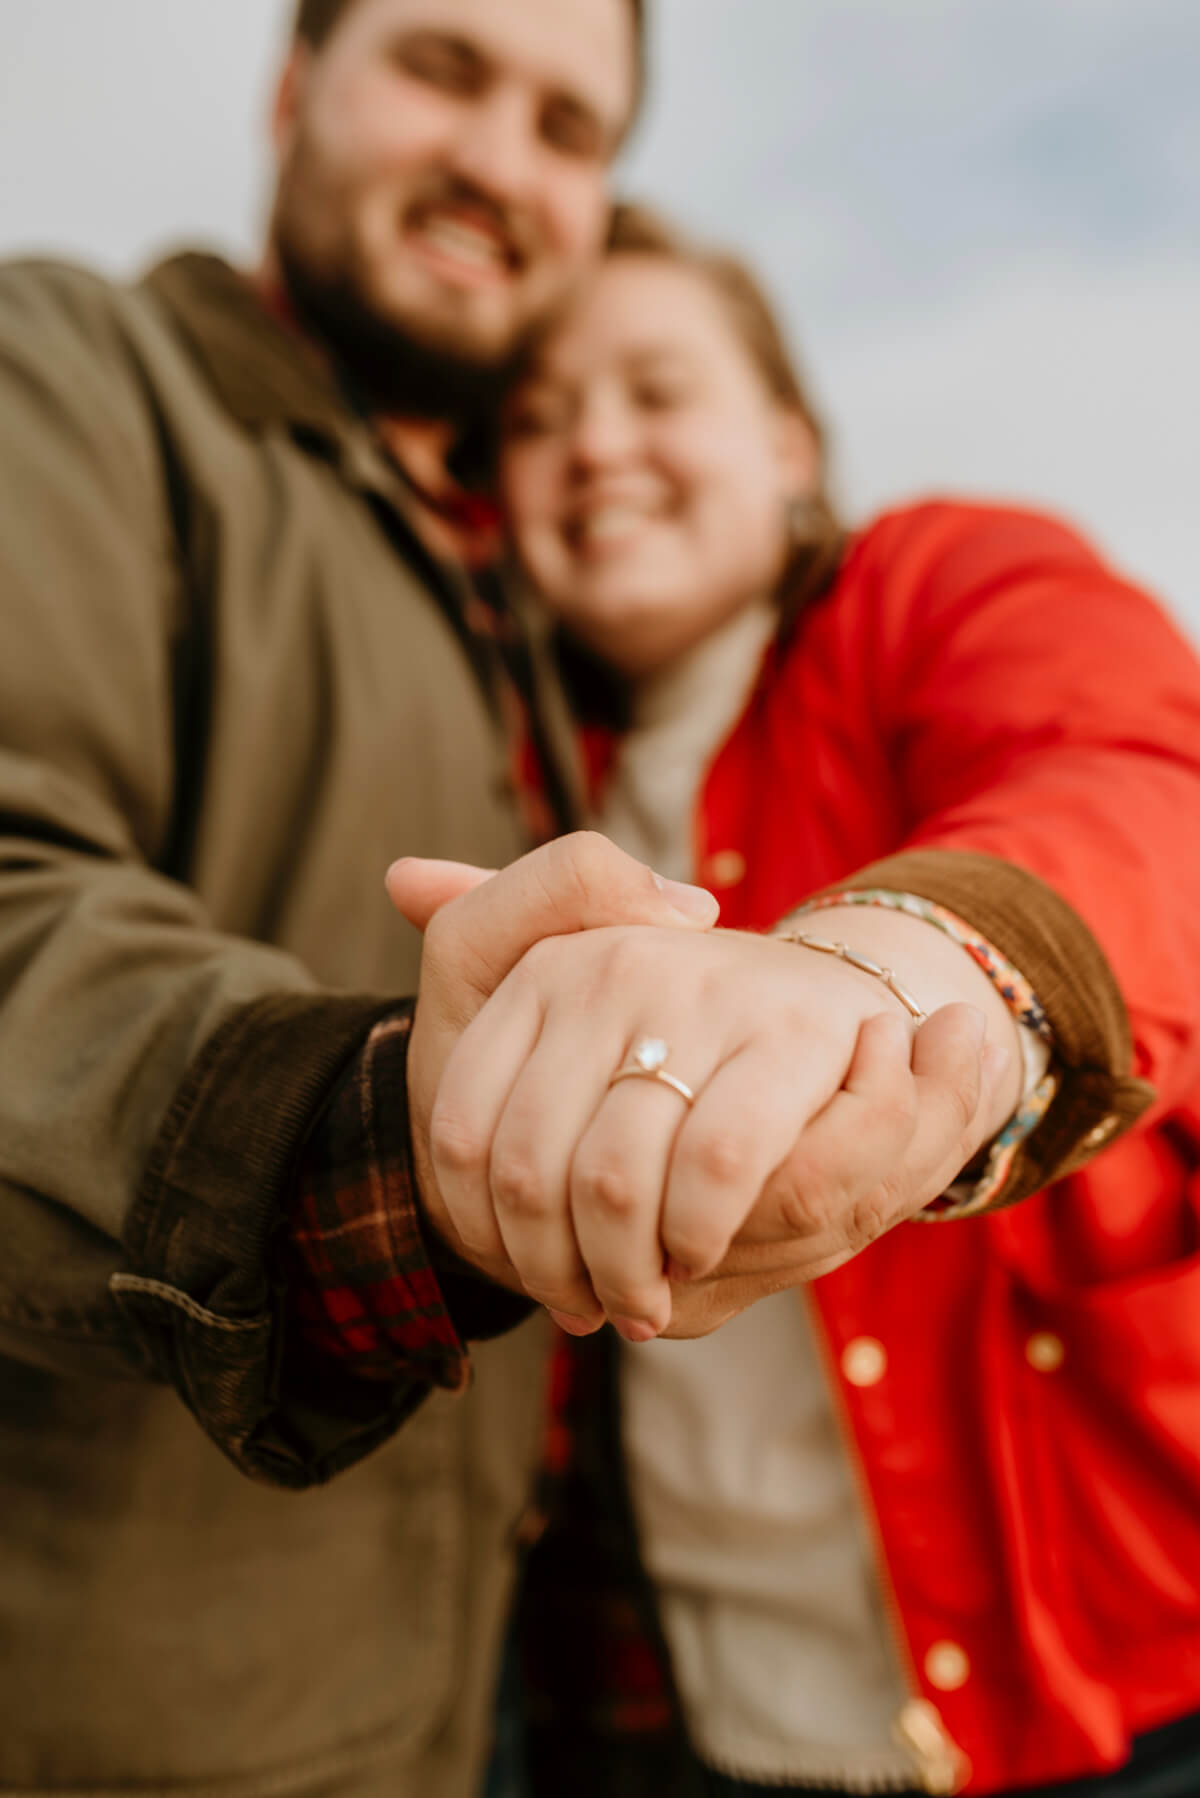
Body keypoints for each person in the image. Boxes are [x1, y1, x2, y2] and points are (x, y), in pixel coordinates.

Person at [0, 4, 1015, 1794]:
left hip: (507, 1710)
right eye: (442, 69)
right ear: (293, 87)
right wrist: (392, 1133)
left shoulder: (560, 622)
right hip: (138, 1723)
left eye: (568, 122)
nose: (501, 159)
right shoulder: (71, 376)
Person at [479, 205, 1200, 1797]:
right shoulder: (517, 779)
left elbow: (1141, 786)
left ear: (790, 439)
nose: (596, 445)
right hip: (705, 1722)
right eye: (536, 418)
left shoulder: (932, 585)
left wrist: (902, 959)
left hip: (1110, 1696)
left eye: (657, 390)